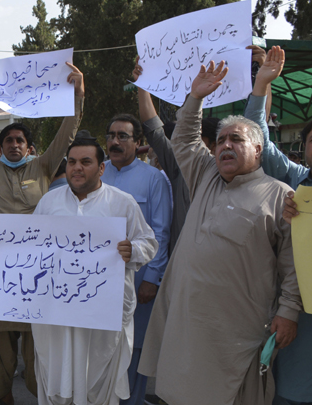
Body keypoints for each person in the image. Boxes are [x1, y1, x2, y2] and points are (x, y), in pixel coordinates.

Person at [138, 60, 302, 405]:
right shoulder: (206, 175)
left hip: (235, 330)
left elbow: (292, 266)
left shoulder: (280, 195)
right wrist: (196, 97)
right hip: (184, 320)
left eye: (236, 140)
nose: (225, 145)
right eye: (221, 140)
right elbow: (182, 137)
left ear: (258, 150)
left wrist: (287, 312)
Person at [0, 137, 158, 405]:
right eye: (72, 162)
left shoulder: (123, 203)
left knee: (97, 382)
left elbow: (149, 243)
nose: (77, 168)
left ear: (101, 168)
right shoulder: (49, 202)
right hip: (56, 316)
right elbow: (29, 248)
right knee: (56, 378)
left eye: (86, 162)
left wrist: (132, 250)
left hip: (101, 316)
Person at [0, 63, 84, 405]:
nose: (12, 145)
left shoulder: (43, 167)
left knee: (39, 340)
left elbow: (66, 136)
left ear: (28, 146)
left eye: (19, 140)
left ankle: (44, 394)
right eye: (7, 140)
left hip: (36, 271)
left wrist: (78, 96)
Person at [243, 46, 312, 405]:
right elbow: (260, 143)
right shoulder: (298, 185)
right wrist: (260, 86)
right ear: (305, 148)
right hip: (300, 318)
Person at [101, 113, 171, 405]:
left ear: (138, 142)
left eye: (123, 136)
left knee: (134, 351)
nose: (115, 142)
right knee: (102, 350)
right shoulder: (96, 173)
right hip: (98, 282)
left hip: (138, 282)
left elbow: (161, 232)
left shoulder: (154, 178)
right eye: (111, 136)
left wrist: (152, 279)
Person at [133, 57, 190, 257]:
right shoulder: (182, 171)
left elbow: (258, 129)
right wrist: (142, 84)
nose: (227, 146)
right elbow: (153, 130)